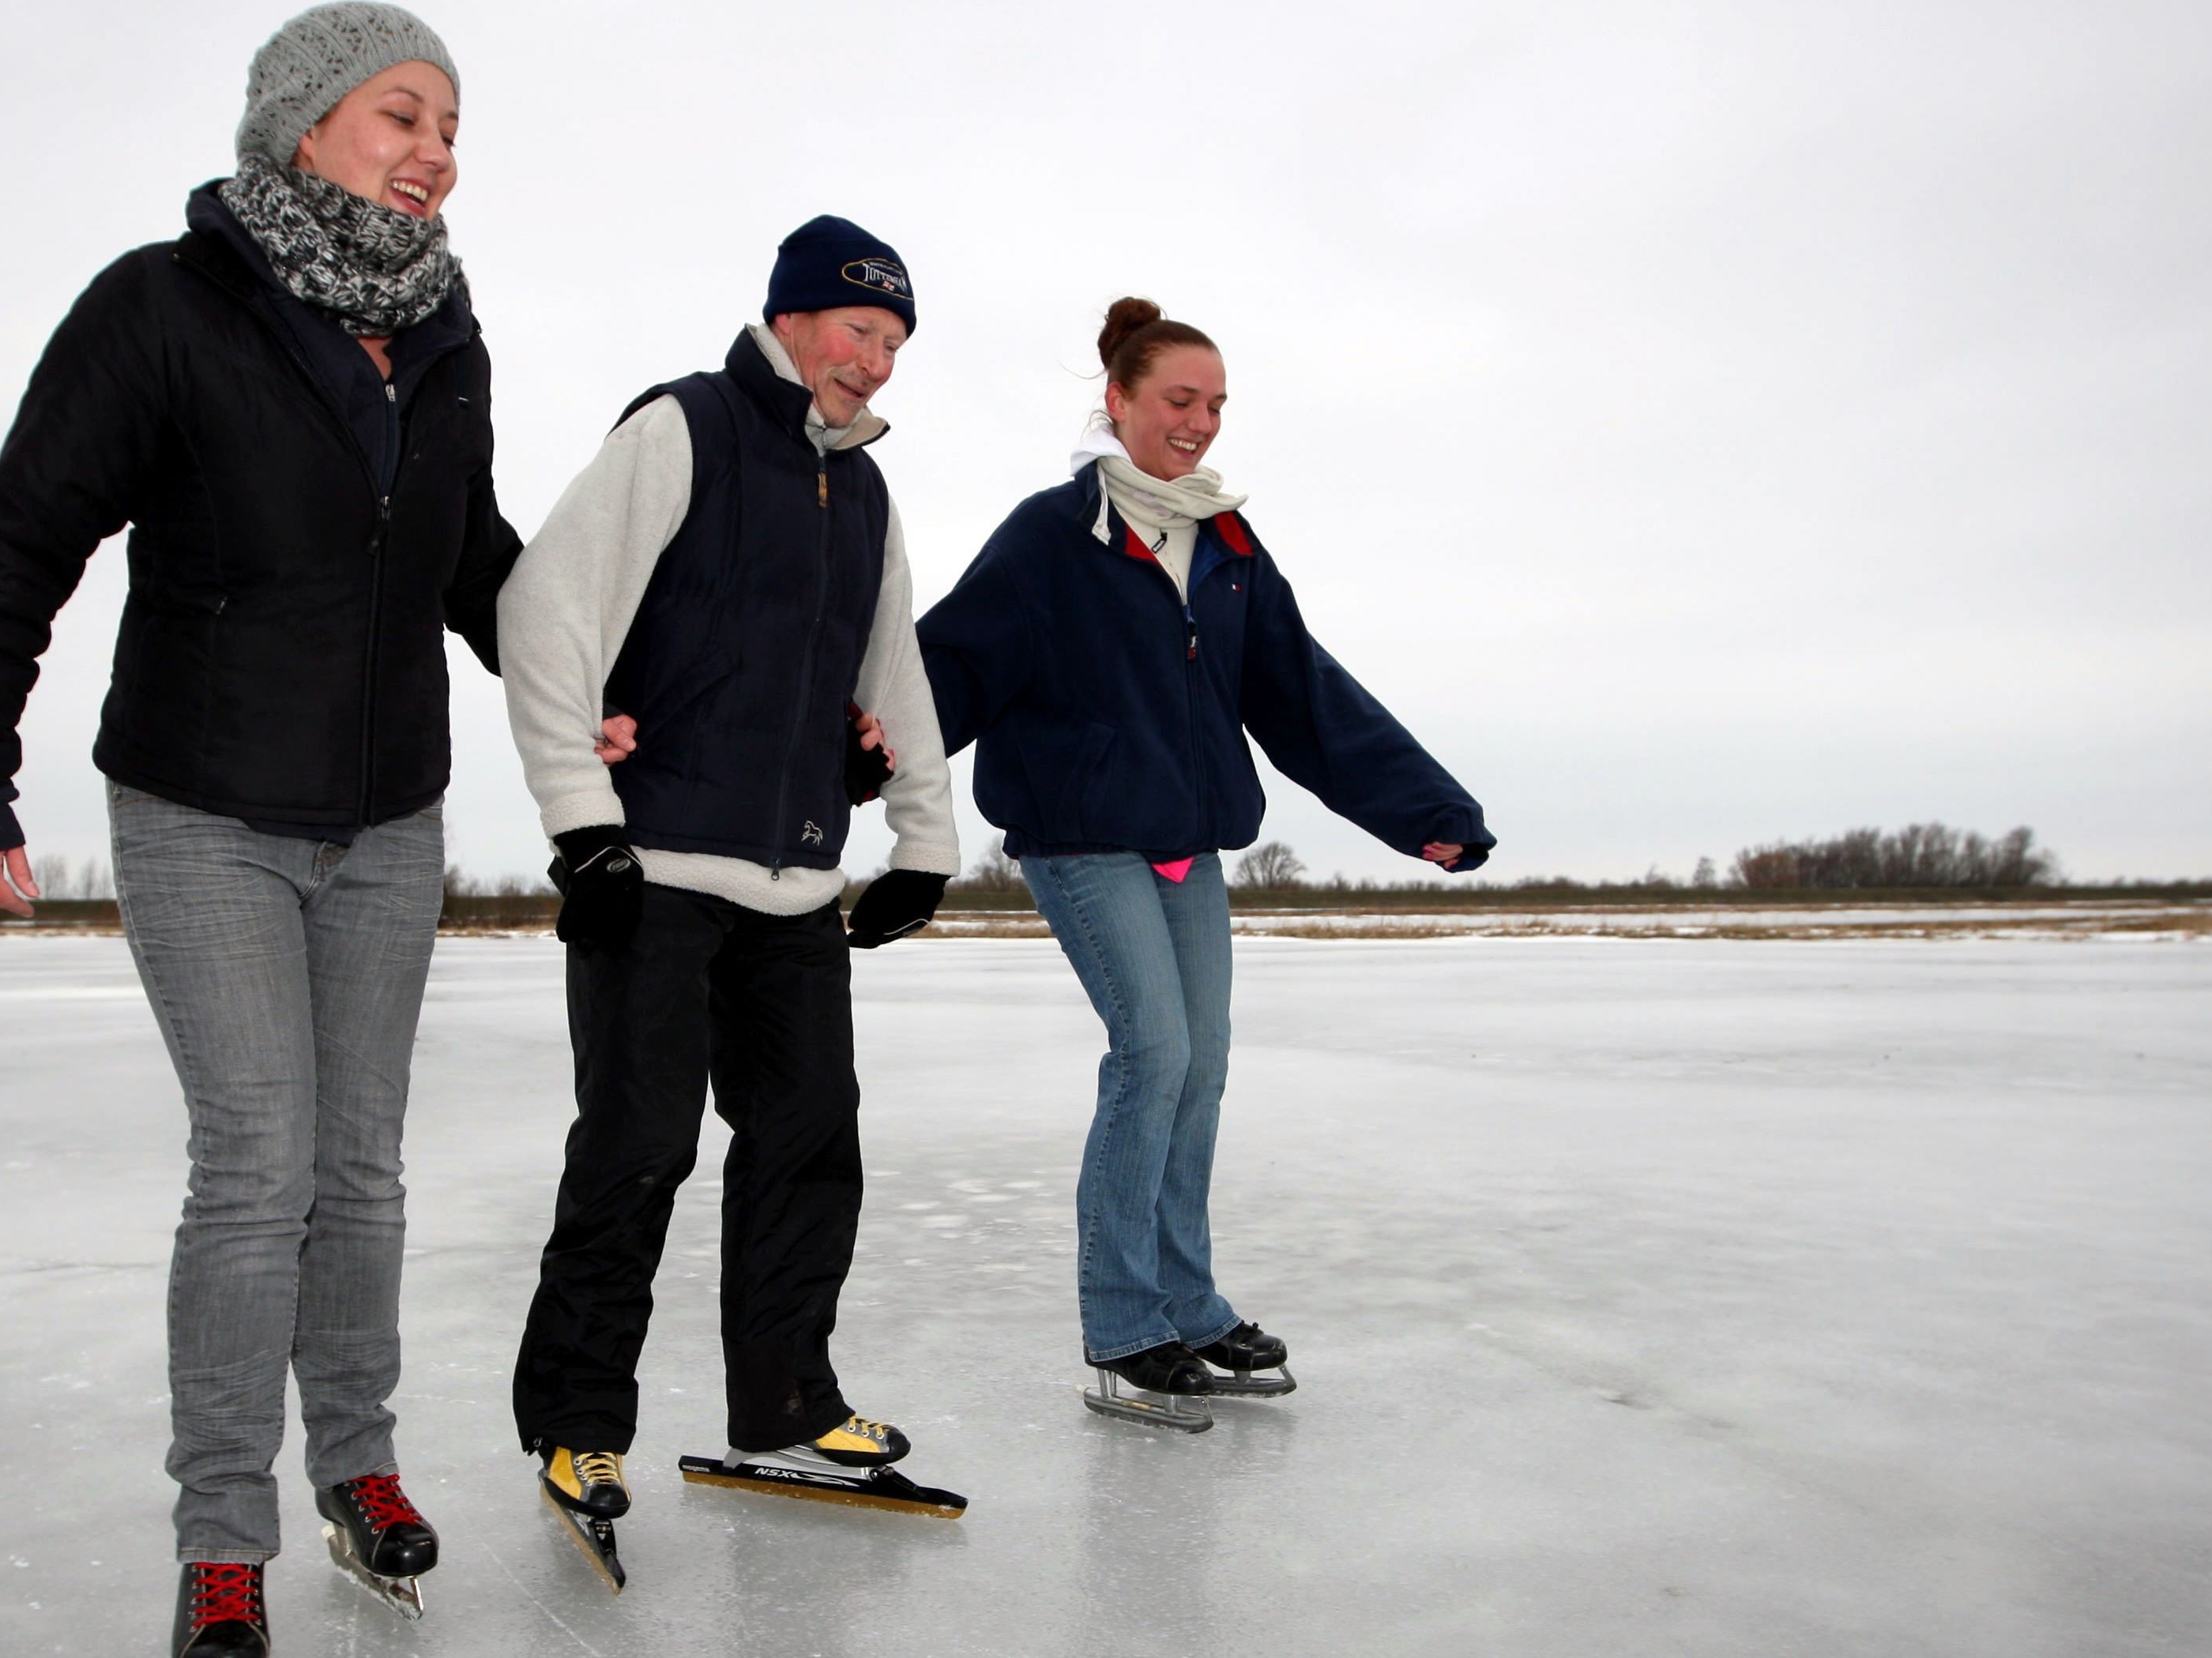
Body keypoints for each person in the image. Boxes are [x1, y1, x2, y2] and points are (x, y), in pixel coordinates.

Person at [0, 6, 518, 1645]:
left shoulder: (444, 332)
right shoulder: (166, 305)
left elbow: (472, 559)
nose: (435, 152)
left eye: (451, 127)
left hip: (388, 814)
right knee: (258, 1171)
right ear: (303, 124)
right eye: (401, 115)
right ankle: (222, 1538)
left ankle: (359, 1467)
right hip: (204, 803)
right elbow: (20, 531)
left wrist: (596, 682)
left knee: (361, 1171)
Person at [916, 297, 1494, 1428]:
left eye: (1217, 404)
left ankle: (1187, 1301)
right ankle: (1123, 1322)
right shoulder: (1053, 535)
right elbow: (949, 664)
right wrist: (846, 750)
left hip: (1187, 842)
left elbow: (1301, 691)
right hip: (1083, 836)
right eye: (1179, 399)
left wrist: (1422, 809)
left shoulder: (1225, 543)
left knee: (1202, 1065)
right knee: (1154, 1054)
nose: (1200, 422)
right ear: (1118, 400)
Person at [495, 215, 964, 1581]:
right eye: (858, 330)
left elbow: (892, 668)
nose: (874, 362)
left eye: (894, 342)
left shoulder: (863, 493)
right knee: (637, 1146)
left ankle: (785, 1405)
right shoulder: (683, 429)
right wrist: (582, 825)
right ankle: (579, 1426)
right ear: (792, 318)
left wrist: (923, 841)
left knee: (810, 1146)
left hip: (796, 882)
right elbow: (546, 609)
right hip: (653, 870)